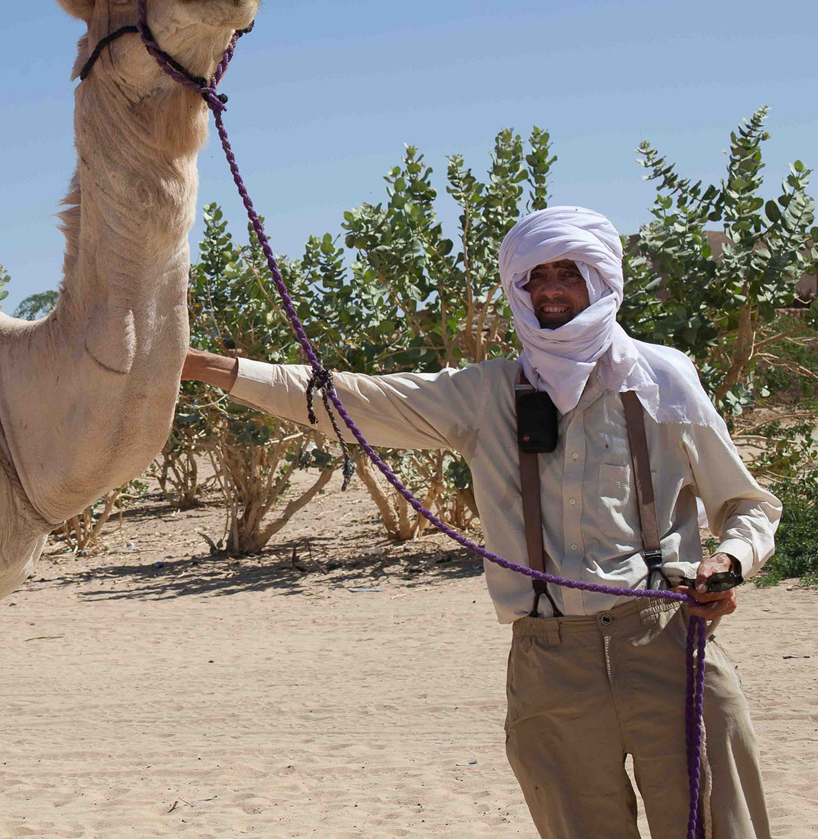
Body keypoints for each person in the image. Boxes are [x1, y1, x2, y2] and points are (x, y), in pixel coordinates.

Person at [181, 206, 781, 839]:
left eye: (567, 273)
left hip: (668, 642)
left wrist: (729, 562)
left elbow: (748, 505)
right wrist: (203, 367)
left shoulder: (665, 379)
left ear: (602, 280)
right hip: (550, 661)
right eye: (535, 276)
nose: (550, 290)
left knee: (719, 826)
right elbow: (348, 401)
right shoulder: (486, 392)